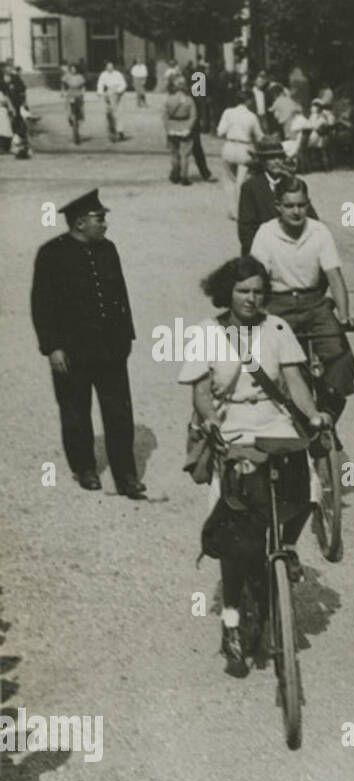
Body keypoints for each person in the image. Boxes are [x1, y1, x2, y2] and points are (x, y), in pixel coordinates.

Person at [182, 256, 327, 676]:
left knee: (308, 490)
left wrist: (313, 414)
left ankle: (285, 546)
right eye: (244, 290)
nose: (252, 298)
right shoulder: (208, 334)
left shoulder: (277, 329)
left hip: (274, 420)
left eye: (259, 291)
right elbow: (201, 393)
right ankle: (230, 622)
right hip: (232, 426)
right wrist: (209, 420)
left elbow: (296, 383)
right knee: (237, 527)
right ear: (227, 292)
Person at [30, 189, 146, 499]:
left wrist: (127, 337)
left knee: (119, 413)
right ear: (80, 223)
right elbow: (41, 304)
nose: (105, 224)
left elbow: (120, 296)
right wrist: (52, 347)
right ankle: (85, 468)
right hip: (71, 352)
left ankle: (126, 476)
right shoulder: (51, 253)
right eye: (99, 218)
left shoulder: (108, 249)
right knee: (75, 411)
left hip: (111, 349)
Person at [250, 178, 354, 428]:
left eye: (301, 205)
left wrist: (344, 315)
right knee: (273, 360)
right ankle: (286, 409)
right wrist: (258, 311)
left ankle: (328, 411)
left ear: (308, 204)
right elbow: (257, 276)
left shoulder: (319, 231)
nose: (296, 212)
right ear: (278, 206)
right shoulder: (266, 233)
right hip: (278, 302)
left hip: (314, 303)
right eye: (289, 206)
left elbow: (334, 277)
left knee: (342, 356)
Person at [237, 140, 319, 255]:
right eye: (271, 158)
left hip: (293, 247)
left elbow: (311, 218)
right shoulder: (250, 188)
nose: (276, 162)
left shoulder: (294, 183)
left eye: (279, 158)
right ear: (263, 162)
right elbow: (246, 229)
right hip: (263, 249)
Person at [217, 90, 263, 219]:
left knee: (229, 180)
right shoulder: (252, 116)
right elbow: (260, 136)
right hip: (244, 147)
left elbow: (220, 132)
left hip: (229, 146)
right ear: (248, 101)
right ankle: (241, 210)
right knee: (241, 181)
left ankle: (232, 211)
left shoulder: (228, 112)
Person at [162, 74, 197, 185]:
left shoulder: (169, 100)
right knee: (185, 154)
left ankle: (175, 174)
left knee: (174, 153)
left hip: (172, 127)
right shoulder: (189, 100)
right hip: (185, 127)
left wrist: (168, 128)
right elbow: (194, 116)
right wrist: (189, 127)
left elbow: (164, 116)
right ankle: (184, 177)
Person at [97, 60, 127, 142]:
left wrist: (118, 91)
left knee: (118, 113)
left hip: (118, 94)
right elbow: (100, 84)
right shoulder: (103, 75)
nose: (110, 68)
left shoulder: (118, 74)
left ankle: (120, 130)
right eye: (108, 67)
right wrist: (100, 92)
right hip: (108, 93)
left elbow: (123, 84)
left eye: (111, 67)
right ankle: (110, 130)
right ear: (106, 67)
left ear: (113, 67)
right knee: (108, 113)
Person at [63, 61, 87, 145]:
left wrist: (83, 91)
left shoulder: (80, 77)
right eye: (72, 69)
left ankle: (78, 122)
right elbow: (63, 85)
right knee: (69, 110)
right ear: (70, 70)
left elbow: (83, 86)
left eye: (75, 69)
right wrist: (63, 92)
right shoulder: (67, 77)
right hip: (70, 94)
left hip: (78, 94)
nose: (74, 70)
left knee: (79, 110)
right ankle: (70, 118)